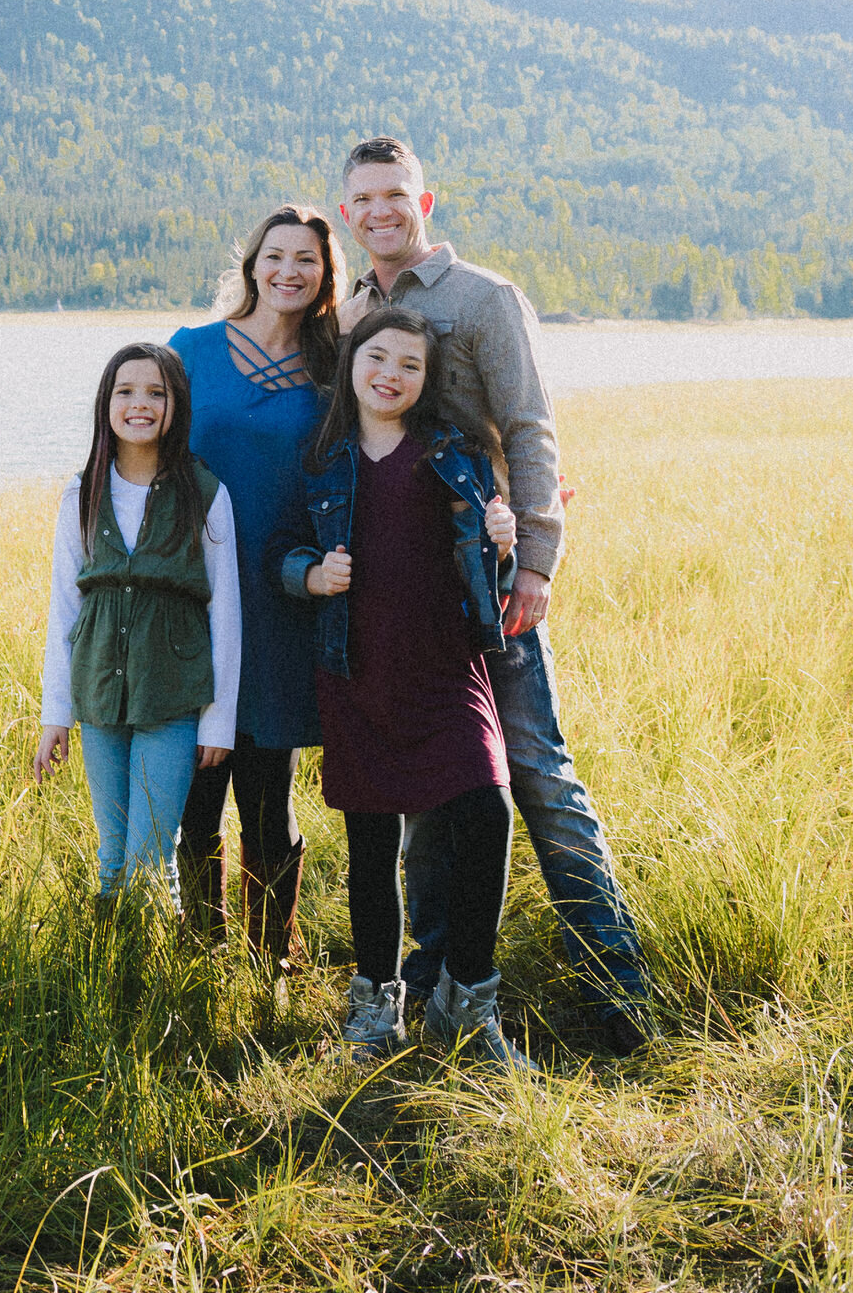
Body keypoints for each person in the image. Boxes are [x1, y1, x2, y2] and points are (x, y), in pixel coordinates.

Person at [337, 136, 650, 1053]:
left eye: (397, 195)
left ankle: (616, 992)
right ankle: (438, 993)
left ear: (424, 205)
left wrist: (540, 560)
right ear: (348, 214)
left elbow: (528, 427)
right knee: (433, 795)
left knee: (536, 776)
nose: (382, 211)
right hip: (401, 602)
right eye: (364, 199)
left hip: (491, 584)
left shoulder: (484, 298)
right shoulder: (353, 308)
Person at [280, 305, 528, 1067]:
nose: (391, 374)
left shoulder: (452, 453)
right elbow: (281, 551)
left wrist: (503, 545)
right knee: (371, 842)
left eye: (410, 365)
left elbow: (492, 575)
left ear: (425, 381)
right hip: (358, 669)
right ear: (352, 361)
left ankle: (468, 1001)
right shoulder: (322, 459)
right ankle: (374, 1006)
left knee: (487, 811)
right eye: (378, 358)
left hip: (447, 667)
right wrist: (311, 574)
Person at [169, 204, 346, 964]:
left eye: (306, 259)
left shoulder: (336, 369)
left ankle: (269, 963)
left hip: (283, 597)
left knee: (269, 793)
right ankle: (199, 955)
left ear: (325, 275)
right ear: (251, 265)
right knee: (196, 787)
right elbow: (136, 451)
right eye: (275, 256)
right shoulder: (190, 352)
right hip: (193, 597)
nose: (288, 271)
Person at [36, 342, 241, 903]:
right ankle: (114, 980)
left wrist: (218, 721)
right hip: (100, 699)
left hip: (171, 700)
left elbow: (225, 611)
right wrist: (56, 713)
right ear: (106, 403)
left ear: (177, 406)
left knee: (151, 858)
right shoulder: (81, 494)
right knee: (112, 855)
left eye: (157, 392)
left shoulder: (205, 495)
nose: (140, 404)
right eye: (125, 391)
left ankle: (152, 979)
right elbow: (64, 610)